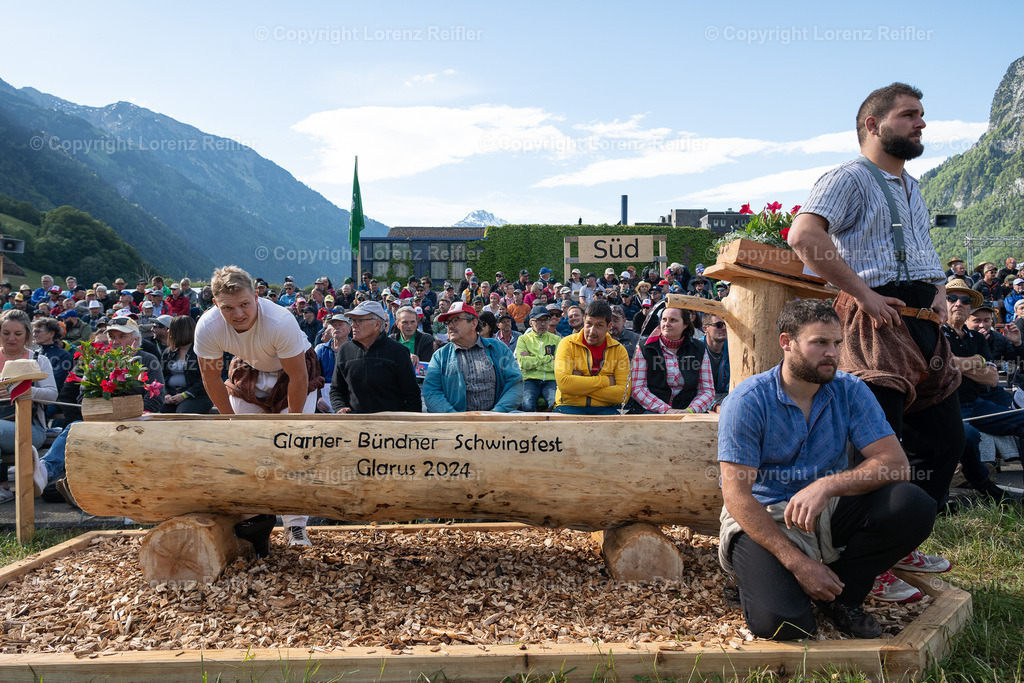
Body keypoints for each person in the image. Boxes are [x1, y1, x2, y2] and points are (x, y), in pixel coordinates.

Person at [787, 83, 961, 598]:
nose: (921, 124)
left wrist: (938, 291)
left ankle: (900, 544)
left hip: (920, 322)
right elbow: (803, 237)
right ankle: (863, 559)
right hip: (872, 319)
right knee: (878, 447)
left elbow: (923, 250)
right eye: (909, 115)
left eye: (922, 115)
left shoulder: (912, 185)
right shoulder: (847, 177)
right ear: (872, 124)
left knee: (943, 440)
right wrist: (862, 293)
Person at [718, 299, 936, 640]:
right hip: (765, 515)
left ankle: (843, 597)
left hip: (827, 509)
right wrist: (799, 564)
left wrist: (828, 486)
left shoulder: (850, 389)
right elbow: (737, 498)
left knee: (912, 504)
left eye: (837, 343)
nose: (832, 353)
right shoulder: (749, 401)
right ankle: (777, 578)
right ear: (786, 343)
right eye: (819, 342)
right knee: (784, 625)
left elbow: (895, 464)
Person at [194, 266, 324, 549]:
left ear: (256, 296)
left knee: (292, 449)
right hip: (249, 367)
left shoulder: (280, 320)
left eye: (244, 304)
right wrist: (231, 423)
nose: (238, 314)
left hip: (294, 371)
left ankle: (296, 527)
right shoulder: (207, 326)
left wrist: (294, 425)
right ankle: (255, 521)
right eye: (228, 308)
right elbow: (210, 377)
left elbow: (299, 377)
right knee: (246, 446)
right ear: (216, 304)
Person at [423, 302, 523, 413]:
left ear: (473, 323)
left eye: (456, 320)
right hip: (456, 424)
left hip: (496, 420)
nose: (450, 326)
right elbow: (431, 392)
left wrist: (496, 413)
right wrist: (454, 417)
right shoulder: (440, 356)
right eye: (448, 322)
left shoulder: (499, 349)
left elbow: (515, 383)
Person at [0, 311, 55, 503]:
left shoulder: (39, 359)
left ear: (27, 335)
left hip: (30, 428)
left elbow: (52, 396)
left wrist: (24, 392)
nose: (11, 338)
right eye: (6, 333)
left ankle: (3, 486)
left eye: (18, 333)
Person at [331, 301, 421, 414]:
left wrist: (407, 425)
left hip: (391, 426)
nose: (353, 325)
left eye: (359, 321)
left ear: (377, 324)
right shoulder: (345, 350)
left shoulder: (398, 351)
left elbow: (412, 395)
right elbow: (336, 389)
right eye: (352, 320)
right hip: (354, 424)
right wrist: (340, 408)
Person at [629, 305, 714, 414]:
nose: (666, 324)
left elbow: (707, 390)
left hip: (688, 410)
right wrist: (666, 410)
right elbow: (638, 389)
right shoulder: (645, 347)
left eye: (673, 320)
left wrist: (690, 410)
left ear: (685, 325)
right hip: (652, 410)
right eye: (664, 319)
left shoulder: (699, 348)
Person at [552, 301, 629, 415]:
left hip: (605, 408)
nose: (592, 331)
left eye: (599, 325)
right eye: (589, 324)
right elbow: (564, 384)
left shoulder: (619, 350)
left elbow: (623, 395)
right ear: (584, 321)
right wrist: (606, 380)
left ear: (608, 326)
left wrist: (578, 388)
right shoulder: (567, 343)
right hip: (568, 406)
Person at [160, 315, 212, 414]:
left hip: (197, 396)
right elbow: (161, 376)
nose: (168, 332)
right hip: (172, 395)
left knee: (183, 413)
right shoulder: (168, 352)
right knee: (161, 411)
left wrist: (185, 394)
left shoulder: (200, 352)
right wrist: (166, 394)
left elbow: (206, 379)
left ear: (181, 331)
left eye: (171, 329)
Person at [516, 306, 561, 412]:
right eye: (539, 320)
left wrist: (533, 362)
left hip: (551, 380)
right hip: (530, 380)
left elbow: (559, 364)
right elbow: (524, 363)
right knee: (527, 404)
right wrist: (549, 358)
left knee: (557, 404)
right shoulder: (523, 339)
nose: (542, 323)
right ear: (531, 323)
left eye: (545, 320)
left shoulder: (556, 339)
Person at [32, 317, 72, 391]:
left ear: (51, 334)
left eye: (38, 331)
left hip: (51, 397)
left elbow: (57, 381)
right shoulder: (34, 353)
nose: (34, 335)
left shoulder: (63, 355)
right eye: (33, 332)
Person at [702, 314, 731, 412]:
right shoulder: (696, 349)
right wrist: (716, 407)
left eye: (725, 324)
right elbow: (692, 390)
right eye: (719, 325)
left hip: (726, 398)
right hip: (701, 400)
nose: (724, 328)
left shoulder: (734, 348)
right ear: (705, 328)